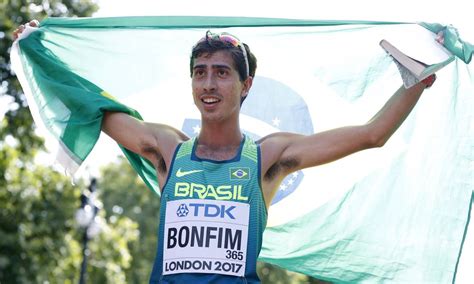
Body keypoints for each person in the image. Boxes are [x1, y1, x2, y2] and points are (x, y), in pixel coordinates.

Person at [13, 21, 437, 283]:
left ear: (245, 85)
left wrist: (416, 80)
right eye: (200, 74)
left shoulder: (269, 156)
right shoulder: (166, 149)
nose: (209, 85)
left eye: (221, 73)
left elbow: (371, 134)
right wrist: (36, 51)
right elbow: (93, 108)